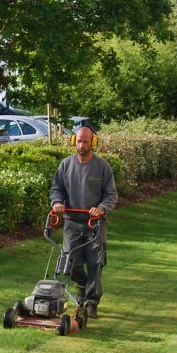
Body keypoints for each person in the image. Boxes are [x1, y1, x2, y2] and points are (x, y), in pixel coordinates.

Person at [49, 126, 118, 318]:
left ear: (93, 143)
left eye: (86, 141)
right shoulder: (65, 165)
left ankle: (91, 303)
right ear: (73, 141)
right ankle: (81, 288)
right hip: (71, 222)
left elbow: (111, 194)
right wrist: (57, 203)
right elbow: (56, 189)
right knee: (71, 263)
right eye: (78, 141)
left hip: (94, 224)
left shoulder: (102, 167)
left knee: (96, 264)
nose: (81, 145)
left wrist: (102, 208)